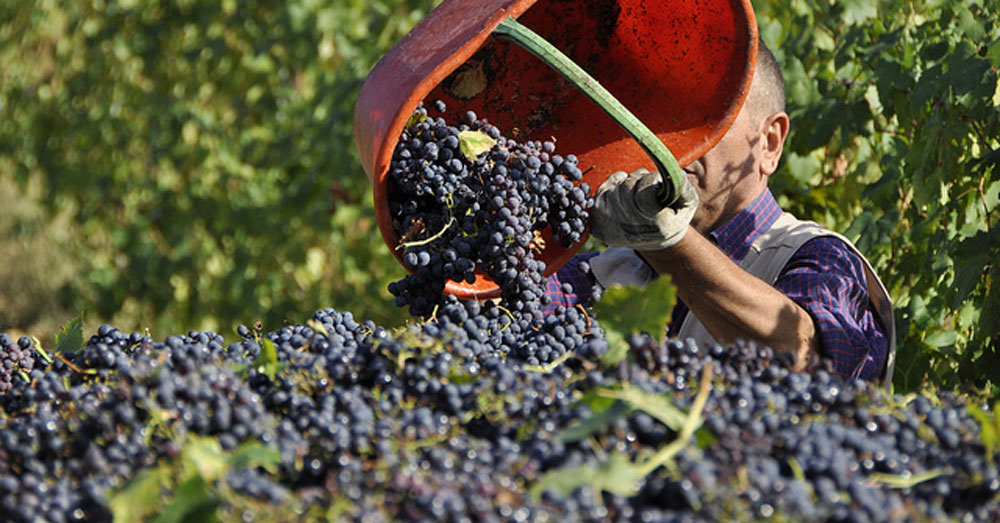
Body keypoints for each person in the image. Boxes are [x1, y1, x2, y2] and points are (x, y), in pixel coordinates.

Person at [544, 38, 896, 384]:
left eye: (705, 115)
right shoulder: (598, 274)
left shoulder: (818, 258)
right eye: (658, 118)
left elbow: (804, 358)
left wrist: (670, 244)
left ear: (770, 142)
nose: (670, 140)